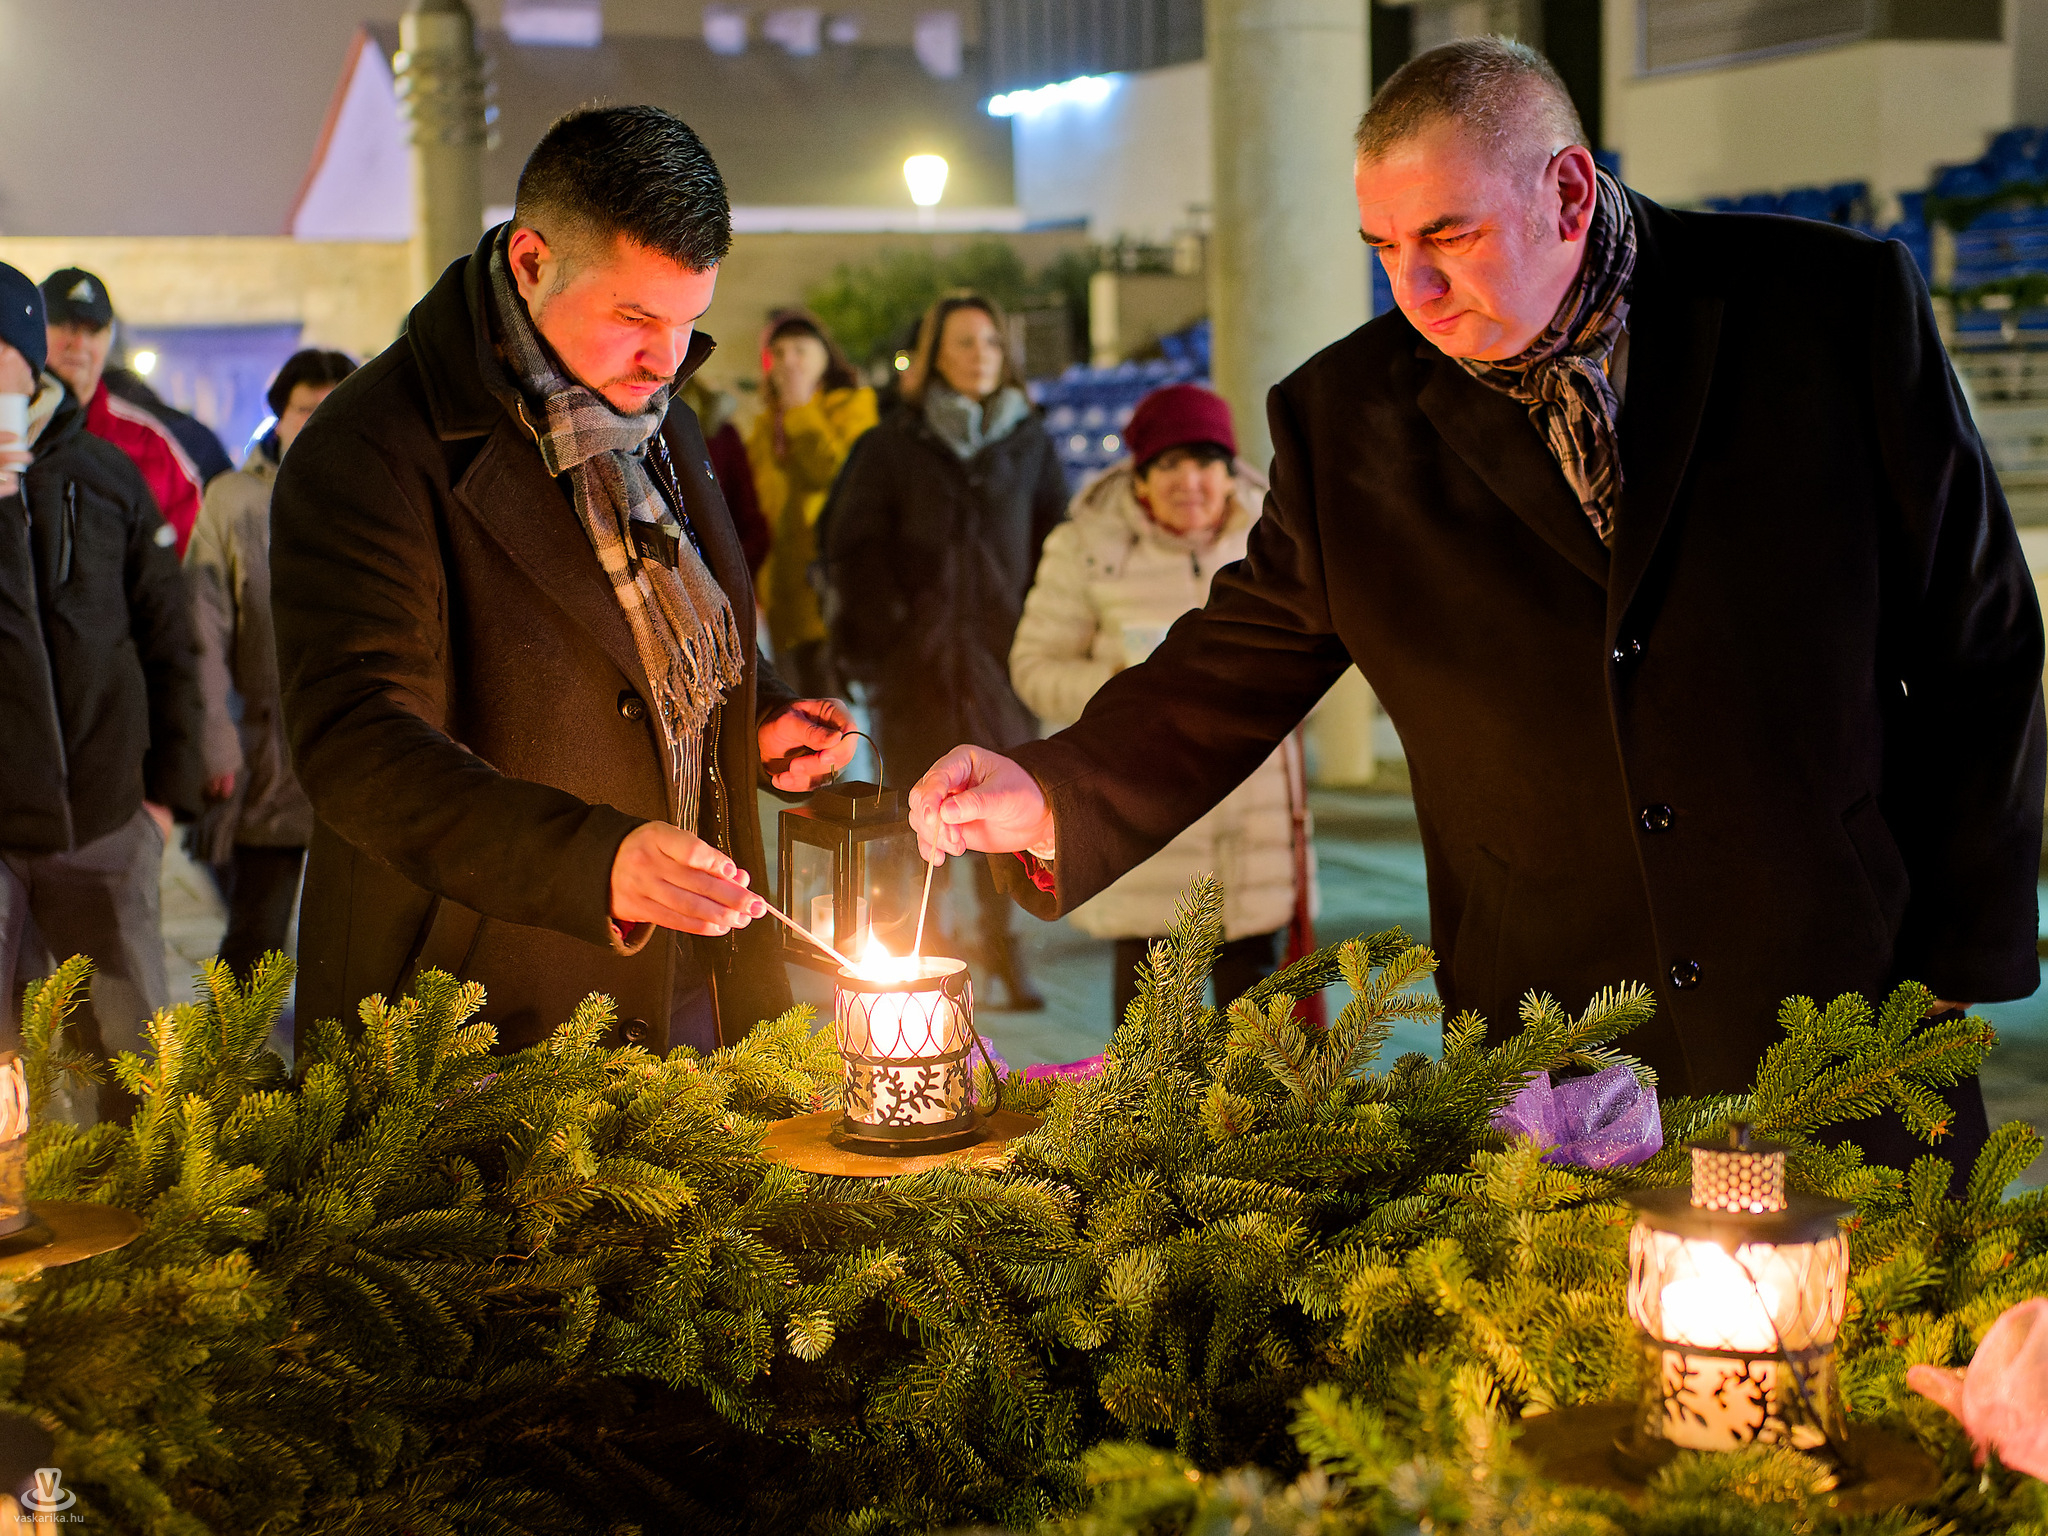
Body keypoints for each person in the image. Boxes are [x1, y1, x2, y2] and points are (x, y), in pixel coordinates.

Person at [907, 39, 2044, 1178]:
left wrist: (1963, 942)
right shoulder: (1344, 418)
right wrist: (1049, 790)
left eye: (1448, 237)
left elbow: (1977, 635)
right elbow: (1236, 657)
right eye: (1384, 248)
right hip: (1551, 1023)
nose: (1415, 290)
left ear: (1567, 192)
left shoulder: (1829, 308)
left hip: (1839, 981)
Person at [271, 106, 856, 1054]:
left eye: (688, 321)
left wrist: (757, 715)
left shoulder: (656, 414)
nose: (666, 359)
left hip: (694, 976)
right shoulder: (371, 448)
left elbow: (664, 633)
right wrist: (592, 862)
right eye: (635, 317)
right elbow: (358, 744)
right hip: (481, 1003)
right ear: (532, 261)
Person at [1009, 383, 1309, 1024]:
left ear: (1230, 473)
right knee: (1153, 1042)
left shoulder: (1275, 539)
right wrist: (1125, 686)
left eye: (1206, 462)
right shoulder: (1087, 547)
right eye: (1169, 464)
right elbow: (1034, 668)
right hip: (1146, 830)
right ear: (1140, 477)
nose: (1189, 481)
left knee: (1262, 1041)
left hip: (1254, 831)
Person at [0, 263, 205, 1121]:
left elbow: (169, 638)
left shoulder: (108, 472)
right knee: (11, 1083)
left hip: (105, 818)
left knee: (130, 1064)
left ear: (27, 361)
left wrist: (165, 799)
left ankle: (144, 1202)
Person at [825, 292, 1067, 1009]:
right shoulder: (891, 445)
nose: (980, 355)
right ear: (934, 356)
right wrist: (890, 632)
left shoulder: (1030, 444)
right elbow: (850, 548)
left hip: (1002, 662)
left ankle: (1002, 950)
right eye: (963, 342)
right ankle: (917, 963)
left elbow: (1057, 546)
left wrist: (1039, 632)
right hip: (917, 668)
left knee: (1005, 810)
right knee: (916, 818)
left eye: (991, 342)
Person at [186, 349, 357, 983]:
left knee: (357, 940)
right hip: (268, 751)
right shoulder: (234, 501)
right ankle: (233, 1044)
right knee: (256, 931)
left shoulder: (380, 494)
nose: (317, 424)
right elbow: (202, 627)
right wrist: (215, 737)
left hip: (362, 747)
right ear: (279, 417)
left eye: (333, 409)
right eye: (305, 410)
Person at [743, 309, 876, 697]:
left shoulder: (853, 407)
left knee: (840, 716)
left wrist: (802, 408)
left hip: (833, 598)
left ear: (825, 356)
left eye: (800, 350)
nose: (788, 362)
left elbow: (836, 477)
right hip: (782, 603)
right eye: (778, 353)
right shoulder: (765, 425)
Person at [41, 268, 204, 555]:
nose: (78, 343)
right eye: (64, 325)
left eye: (92, 330)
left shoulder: (149, 443)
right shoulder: (11, 432)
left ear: (108, 338)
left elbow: (186, 554)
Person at [678, 375, 770, 575]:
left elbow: (749, 521)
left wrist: (728, 574)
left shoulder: (720, 434)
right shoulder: (637, 434)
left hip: (716, 576)